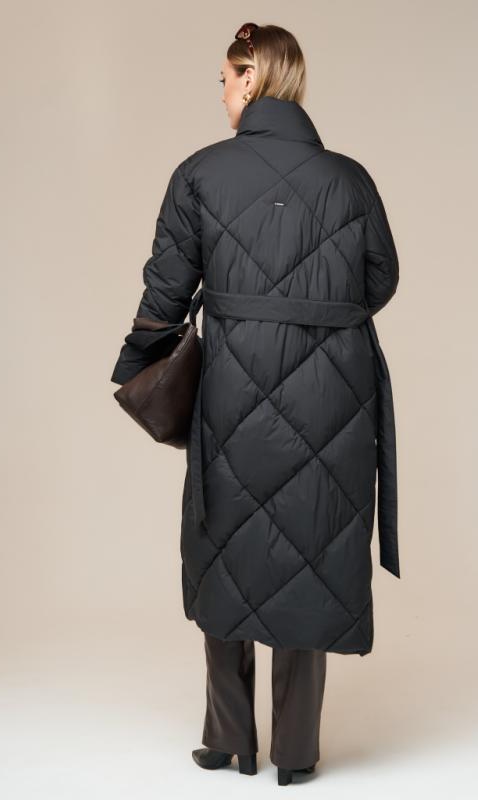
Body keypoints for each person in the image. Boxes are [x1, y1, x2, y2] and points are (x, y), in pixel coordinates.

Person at [111, 22, 400, 786]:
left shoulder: (200, 173)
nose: (221, 93)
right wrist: (316, 317)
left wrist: (139, 372)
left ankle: (230, 739)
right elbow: (381, 281)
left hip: (232, 389)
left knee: (226, 550)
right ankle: (297, 753)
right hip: (335, 395)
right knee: (312, 553)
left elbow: (165, 291)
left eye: (224, 78)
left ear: (251, 77)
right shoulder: (349, 179)